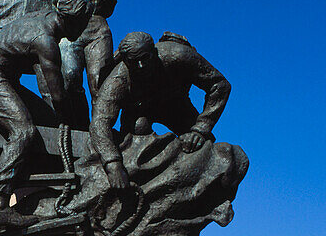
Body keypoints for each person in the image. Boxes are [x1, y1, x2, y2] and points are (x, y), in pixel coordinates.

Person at [0, 0, 95, 223]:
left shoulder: (45, 15)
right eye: (83, 24)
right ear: (73, 21)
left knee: (46, 120)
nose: (83, 31)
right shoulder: (46, 42)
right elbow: (58, 95)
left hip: (0, 77)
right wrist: (71, 124)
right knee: (24, 132)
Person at [90, 31, 231, 190]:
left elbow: (219, 85)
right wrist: (112, 163)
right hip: (139, 110)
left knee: (202, 144)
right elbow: (100, 122)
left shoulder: (177, 55)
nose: (141, 66)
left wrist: (201, 129)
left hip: (175, 104)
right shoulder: (117, 81)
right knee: (136, 136)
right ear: (125, 61)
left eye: (145, 58)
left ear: (155, 52)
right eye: (133, 61)